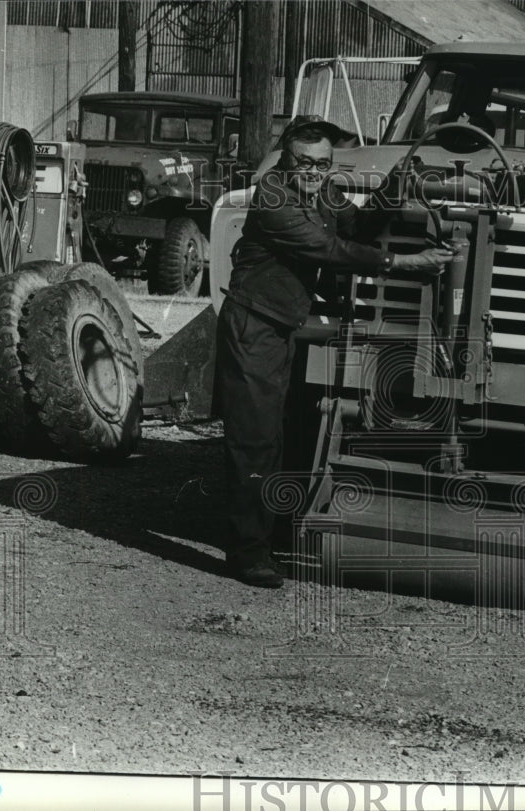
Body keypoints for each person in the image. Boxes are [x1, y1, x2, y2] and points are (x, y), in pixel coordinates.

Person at [215, 116, 455, 588]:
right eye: (304, 162)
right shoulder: (274, 197)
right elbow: (329, 248)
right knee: (254, 441)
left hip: (282, 326)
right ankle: (247, 555)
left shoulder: (322, 190)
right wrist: (404, 263)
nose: (313, 171)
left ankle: (267, 534)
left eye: (322, 164)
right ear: (286, 160)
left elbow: (359, 226)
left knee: (280, 436)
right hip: (253, 326)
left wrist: (395, 183)